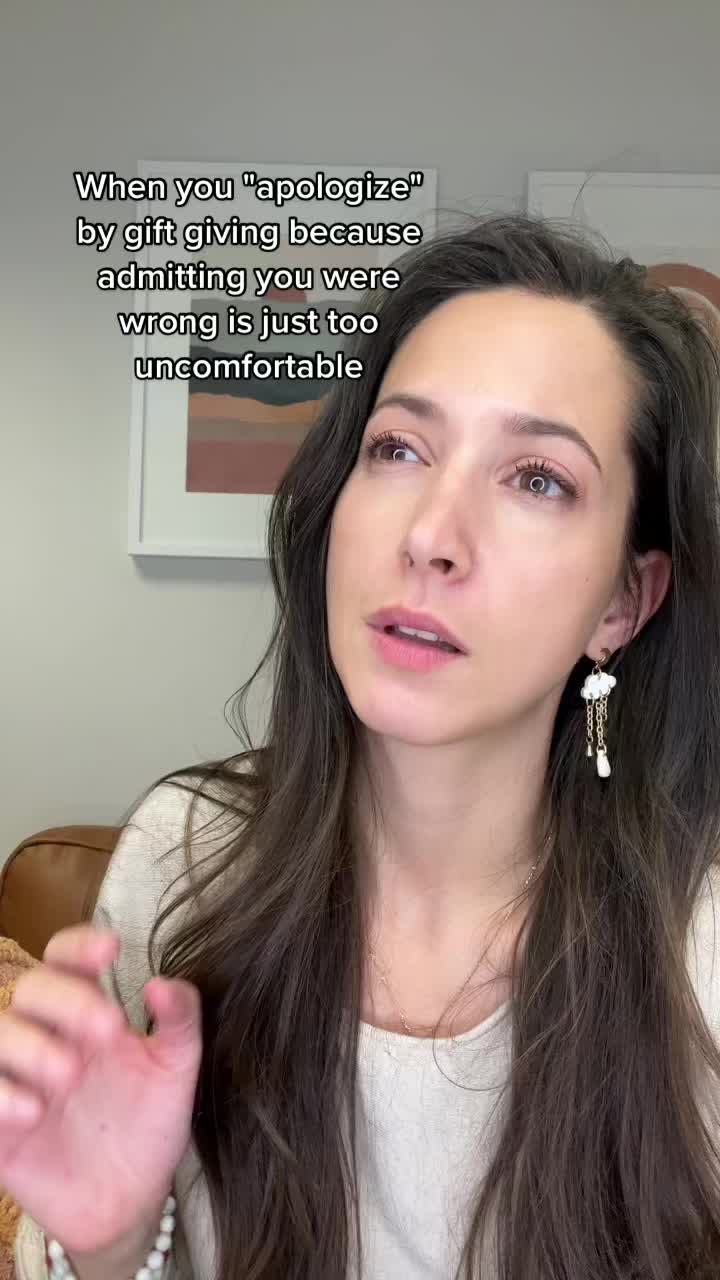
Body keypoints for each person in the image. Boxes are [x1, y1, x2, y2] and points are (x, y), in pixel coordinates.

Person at [6, 211, 720, 1280]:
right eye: (398, 448)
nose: (430, 534)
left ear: (623, 601)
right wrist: (107, 1241)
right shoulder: (184, 864)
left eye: (537, 478)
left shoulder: (700, 950)